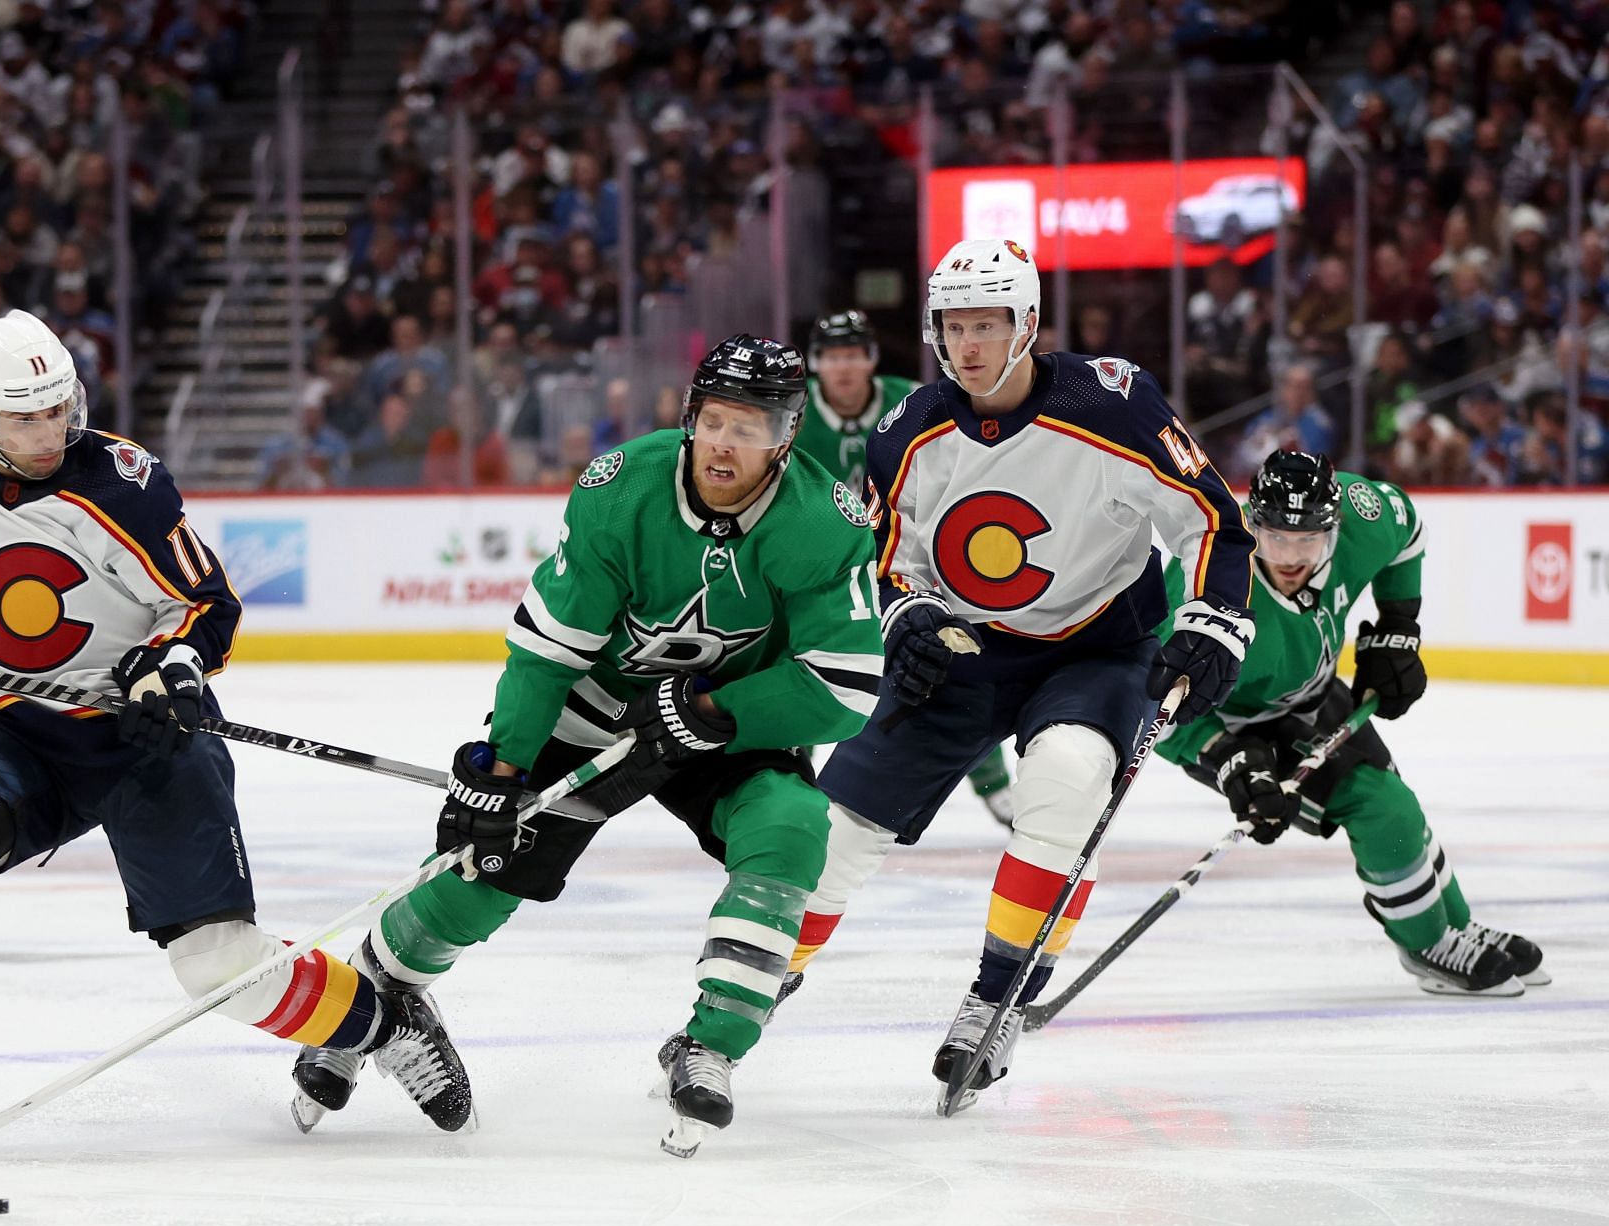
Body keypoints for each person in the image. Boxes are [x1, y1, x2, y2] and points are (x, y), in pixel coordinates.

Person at [0, 311, 471, 1156]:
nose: (51, 432)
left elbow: (205, 605)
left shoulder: (123, 482)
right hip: (16, 733)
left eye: (60, 408)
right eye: (24, 416)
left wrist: (173, 668)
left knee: (218, 967)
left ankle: (386, 1022)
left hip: (149, 737)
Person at [299, 335, 884, 1157]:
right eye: (713, 420)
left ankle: (710, 1045)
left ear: (786, 437)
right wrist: (502, 770)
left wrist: (712, 707)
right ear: (690, 418)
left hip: (731, 723)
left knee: (791, 828)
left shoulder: (822, 523)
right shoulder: (623, 491)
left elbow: (845, 686)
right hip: (601, 709)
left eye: (749, 428)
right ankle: (373, 1003)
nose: (725, 443)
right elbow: (548, 651)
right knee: (487, 863)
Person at [788, 238, 1256, 1104]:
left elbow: (1212, 519)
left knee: (1066, 782)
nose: (968, 345)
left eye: (988, 323)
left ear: (1028, 323)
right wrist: (914, 617)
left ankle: (998, 992)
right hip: (967, 648)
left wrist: (1211, 620)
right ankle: (762, 972)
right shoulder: (907, 431)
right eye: (953, 326)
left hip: (1098, 646)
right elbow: (889, 559)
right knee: (838, 824)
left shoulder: (1112, 402)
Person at [1155, 451, 1546, 996]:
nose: (1291, 557)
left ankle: (1455, 925)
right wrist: (1230, 762)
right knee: (1379, 804)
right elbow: (1158, 712)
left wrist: (1397, 627)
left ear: (1333, 529)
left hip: (1314, 692)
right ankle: (1427, 942)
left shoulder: (1361, 517)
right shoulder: (1205, 585)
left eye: (1308, 541)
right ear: (1253, 525)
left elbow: (1407, 529)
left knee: (1394, 802)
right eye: (1276, 539)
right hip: (1239, 725)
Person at [799, 308, 1016, 828]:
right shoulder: (794, 410)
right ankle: (788, 778)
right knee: (800, 662)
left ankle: (995, 785)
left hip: (907, 563)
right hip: (821, 570)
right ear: (816, 363)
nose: (844, 367)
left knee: (950, 660)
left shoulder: (913, 401)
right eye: (832, 356)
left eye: (853, 354)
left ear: (871, 359)